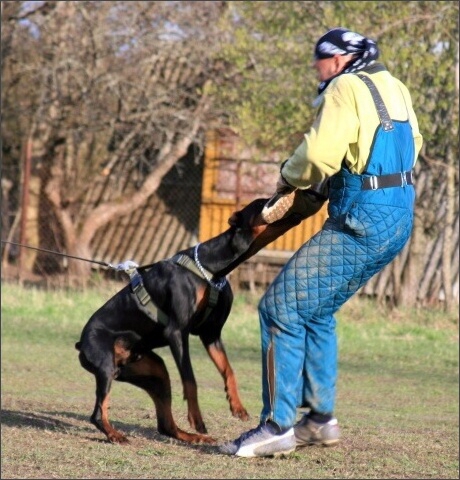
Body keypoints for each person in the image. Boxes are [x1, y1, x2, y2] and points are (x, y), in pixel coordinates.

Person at [219, 27, 423, 458]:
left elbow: (317, 156)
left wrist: (288, 179)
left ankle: (275, 425)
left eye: (320, 58)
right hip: (399, 214)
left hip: (362, 218)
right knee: (316, 309)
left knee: (280, 309)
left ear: (339, 59)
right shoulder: (395, 88)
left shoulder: (346, 86)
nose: (316, 66)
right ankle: (319, 421)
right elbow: (414, 145)